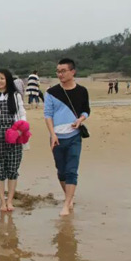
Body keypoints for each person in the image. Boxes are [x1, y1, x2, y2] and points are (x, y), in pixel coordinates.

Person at [44, 58, 90, 216]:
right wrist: (53, 135)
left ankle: (67, 203)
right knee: (61, 171)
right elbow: (48, 115)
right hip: (56, 137)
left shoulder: (82, 91)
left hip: (74, 136)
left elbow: (86, 110)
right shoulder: (51, 92)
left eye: (63, 71)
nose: (60, 74)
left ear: (72, 72)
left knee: (71, 170)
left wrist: (80, 119)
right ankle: (68, 196)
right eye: (58, 71)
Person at [0, 69, 26, 212]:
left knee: (13, 169)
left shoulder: (15, 96)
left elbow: (22, 115)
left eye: (2, 78)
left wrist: (19, 131)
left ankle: (10, 200)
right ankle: (2, 201)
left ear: (8, 80)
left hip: (14, 135)